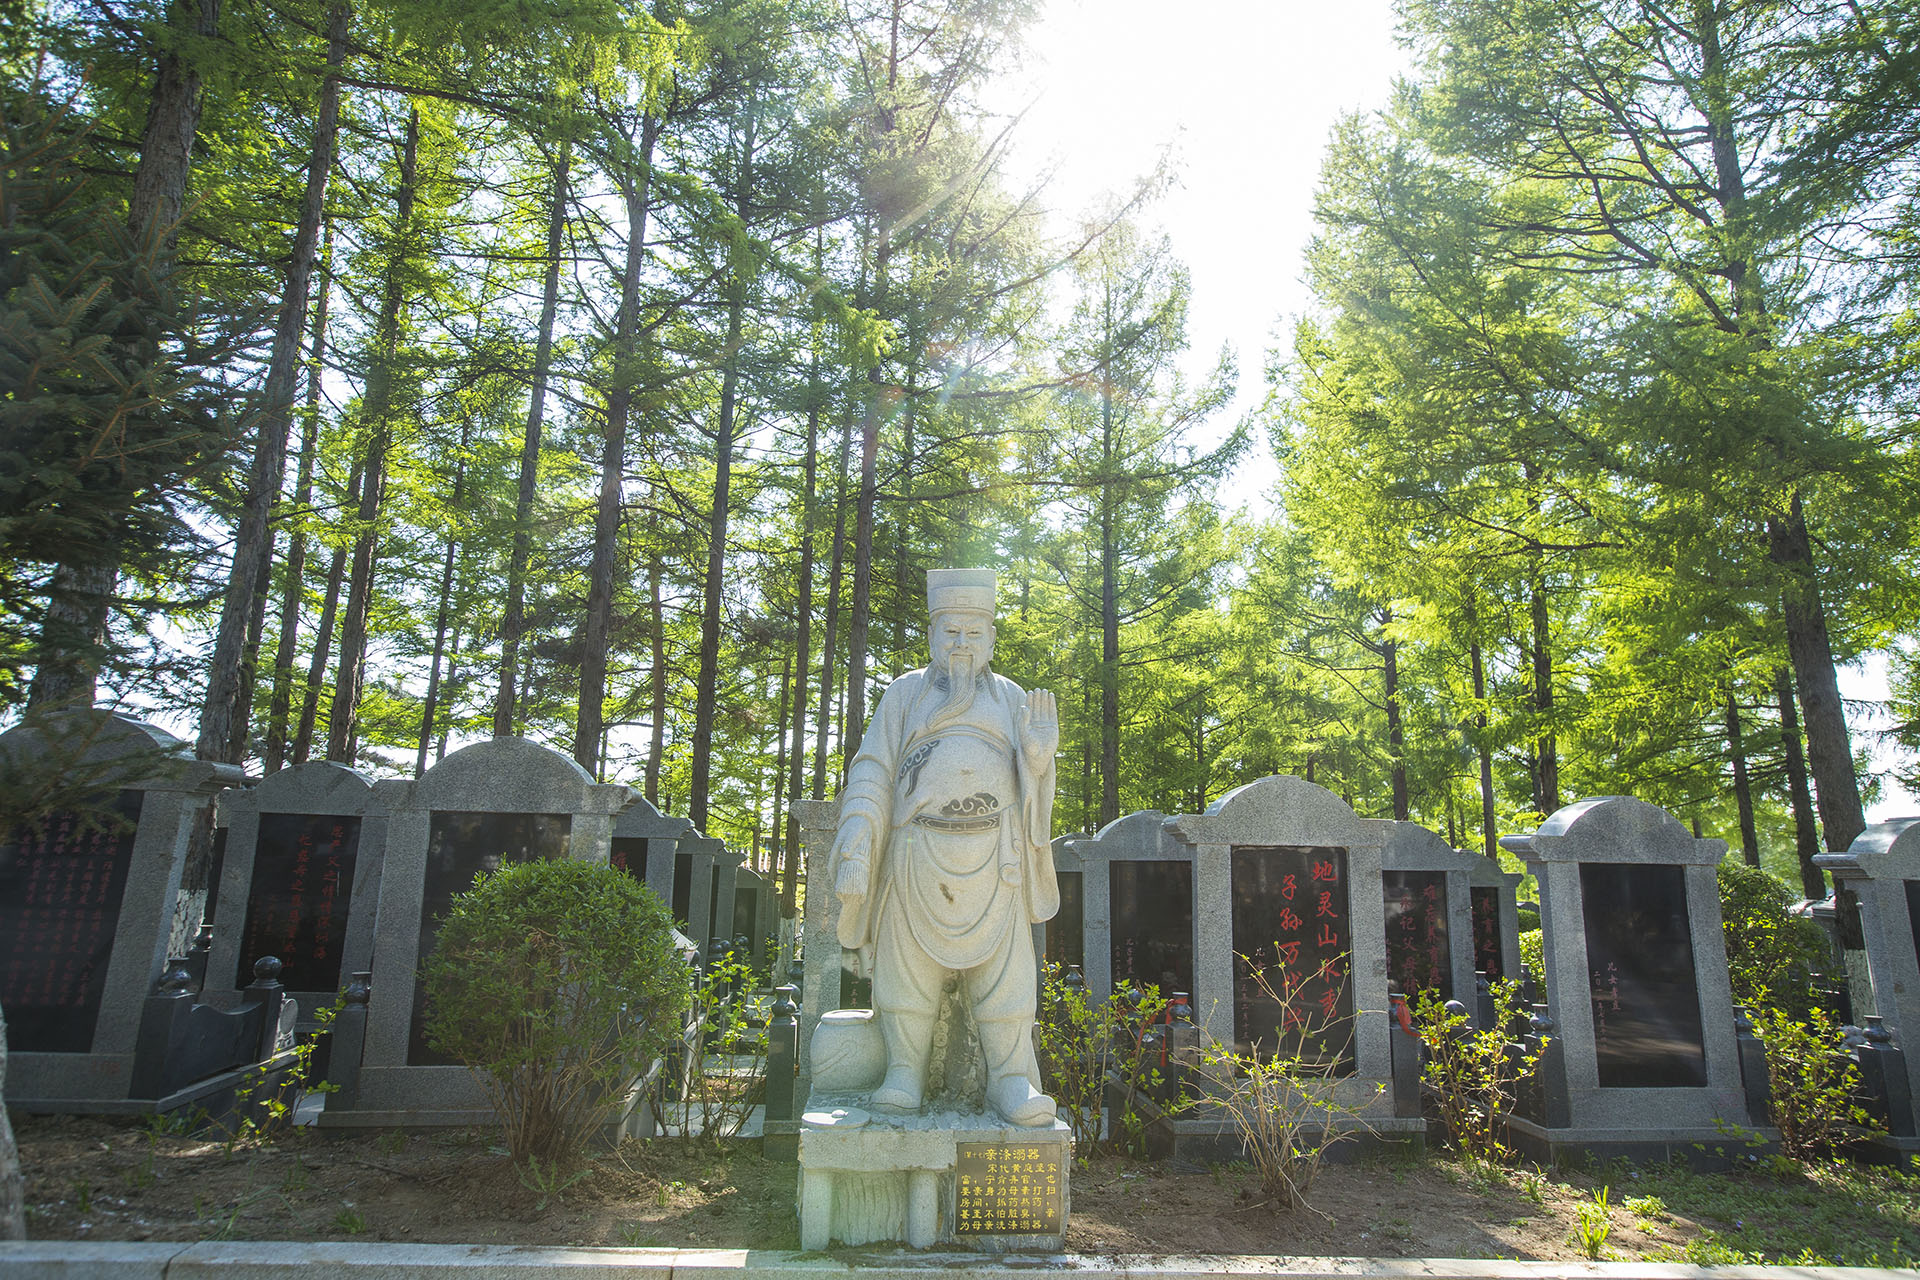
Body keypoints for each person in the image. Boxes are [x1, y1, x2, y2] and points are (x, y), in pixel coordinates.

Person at [830, 569, 1060, 1126]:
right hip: (917, 851)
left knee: (1008, 978)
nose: (961, 644)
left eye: (974, 634)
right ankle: (903, 1071)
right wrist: (857, 837)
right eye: (950, 632)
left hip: (996, 856)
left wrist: (1037, 761)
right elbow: (873, 770)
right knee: (906, 971)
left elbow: (1032, 782)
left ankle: (1011, 1079)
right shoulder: (904, 694)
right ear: (931, 635)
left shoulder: (1011, 699)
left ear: (992, 640)